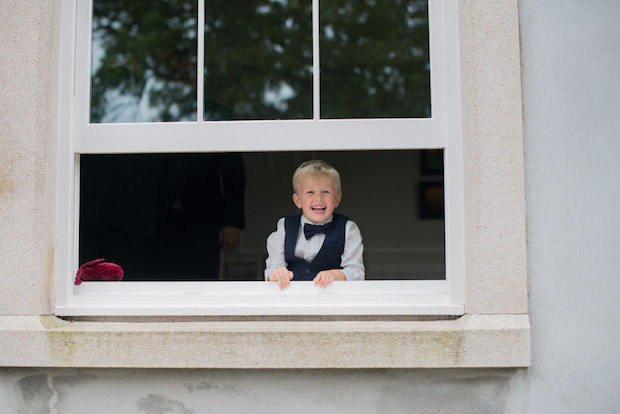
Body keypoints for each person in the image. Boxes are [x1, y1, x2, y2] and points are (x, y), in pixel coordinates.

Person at [264, 160, 364, 289]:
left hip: (332, 300)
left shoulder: (348, 229)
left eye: (325, 192)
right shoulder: (284, 227)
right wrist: (277, 273)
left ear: (337, 199)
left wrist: (336, 275)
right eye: (310, 192)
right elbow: (273, 265)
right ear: (298, 200)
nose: (318, 199)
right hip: (292, 300)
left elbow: (357, 272)